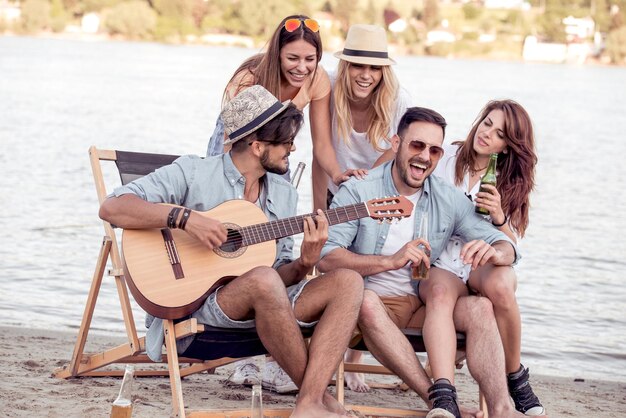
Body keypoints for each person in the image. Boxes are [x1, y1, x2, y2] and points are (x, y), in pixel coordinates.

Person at [99, 85, 364, 418]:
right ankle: (318, 404)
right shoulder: (194, 171)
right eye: (285, 143)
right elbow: (112, 207)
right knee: (264, 281)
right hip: (197, 307)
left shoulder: (283, 194)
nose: (292, 149)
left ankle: (309, 402)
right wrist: (184, 218)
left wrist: (304, 263)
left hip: (266, 307)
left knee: (348, 281)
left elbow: (278, 273)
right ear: (256, 146)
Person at [318, 106, 529, 418]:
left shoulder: (446, 197)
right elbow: (327, 258)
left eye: (434, 150)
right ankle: (440, 401)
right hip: (370, 305)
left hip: (419, 304)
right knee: (365, 301)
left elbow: (504, 242)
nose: (424, 157)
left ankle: (503, 408)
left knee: (479, 307)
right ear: (396, 143)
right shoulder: (359, 191)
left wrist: (497, 253)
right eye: (416, 145)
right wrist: (389, 261)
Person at [430, 99, 544, 415]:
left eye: (499, 134)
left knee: (503, 284)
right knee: (447, 288)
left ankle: (516, 377)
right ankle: (448, 392)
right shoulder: (446, 156)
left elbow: (513, 248)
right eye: (487, 123)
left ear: (507, 147)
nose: (487, 134)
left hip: (479, 263)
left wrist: (498, 217)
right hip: (441, 262)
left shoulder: (509, 181)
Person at [325, 23, 412, 392]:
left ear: (383, 71)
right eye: (358, 65)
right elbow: (320, 151)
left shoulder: (397, 100)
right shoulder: (327, 88)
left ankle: (353, 360)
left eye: (374, 67)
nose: (366, 75)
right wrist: (324, 201)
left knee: (367, 263)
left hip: (376, 192)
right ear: (345, 66)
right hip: (334, 183)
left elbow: (395, 152)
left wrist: (365, 187)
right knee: (329, 266)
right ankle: (326, 350)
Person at [206, 15, 364, 210]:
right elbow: (231, 148)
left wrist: (336, 174)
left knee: (279, 205)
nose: (302, 67)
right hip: (235, 142)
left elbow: (322, 143)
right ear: (278, 54)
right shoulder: (249, 78)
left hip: (278, 143)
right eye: (292, 58)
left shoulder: (318, 79)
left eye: (310, 59)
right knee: (224, 201)